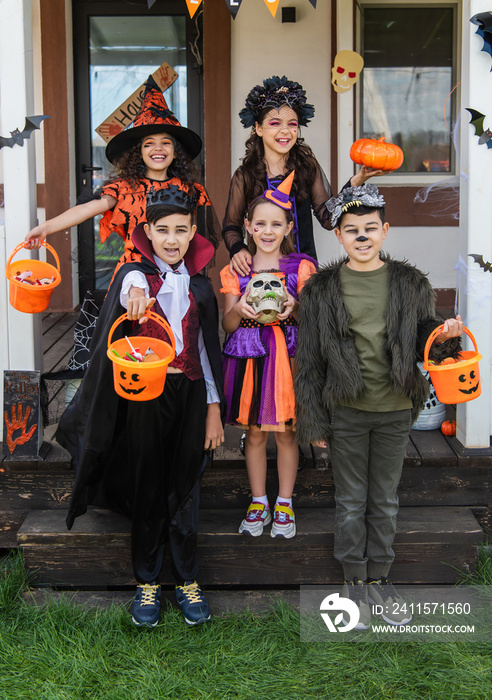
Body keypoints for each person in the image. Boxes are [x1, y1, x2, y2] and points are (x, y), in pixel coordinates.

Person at [294, 184, 463, 629]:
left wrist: (446, 338)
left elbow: (427, 335)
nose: (362, 236)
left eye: (371, 228)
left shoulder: (410, 284)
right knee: (351, 501)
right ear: (339, 236)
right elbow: (308, 357)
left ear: (385, 231)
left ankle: (379, 579)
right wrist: (312, 416)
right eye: (352, 230)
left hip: (393, 408)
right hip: (347, 410)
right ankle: (353, 579)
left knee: (384, 500)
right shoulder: (321, 290)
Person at [56, 183, 225, 628]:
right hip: (145, 397)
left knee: (186, 487)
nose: (172, 239)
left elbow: (207, 351)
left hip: (189, 394)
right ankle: (147, 581)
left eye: (181, 231)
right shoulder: (136, 276)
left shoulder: (201, 287)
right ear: (147, 232)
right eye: (163, 230)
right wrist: (134, 291)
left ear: (192, 235)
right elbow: (133, 281)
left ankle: (188, 579)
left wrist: (213, 407)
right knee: (149, 483)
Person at [24, 76, 220, 270]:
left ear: (176, 153)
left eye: (166, 143)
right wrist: (46, 228)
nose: (158, 149)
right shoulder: (124, 189)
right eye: (149, 143)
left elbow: (194, 237)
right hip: (134, 272)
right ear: (139, 152)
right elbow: (86, 209)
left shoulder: (189, 189)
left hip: (175, 271)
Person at [220, 173, 316, 539]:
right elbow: (227, 324)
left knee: (288, 435)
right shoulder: (237, 270)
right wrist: (240, 309)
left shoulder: (301, 268)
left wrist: (295, 307)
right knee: (256, 434)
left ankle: (284, 504)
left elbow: (311, 320)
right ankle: (259, 499)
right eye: (259, 223)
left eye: (276, 224)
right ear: (247, 226)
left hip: (287, 359)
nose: (267, 230)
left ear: (289, 226)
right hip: (251, 358)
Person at [223, 75, 383, 276]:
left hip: (303, 272)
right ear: (258, 128)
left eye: (292, 124)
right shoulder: (244, 176)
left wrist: (358, 180)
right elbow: (231, 226)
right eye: (274, 123)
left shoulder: (307, 167)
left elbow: (328, 218)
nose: (285, 131)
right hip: (260, 272)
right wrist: (238, 249)